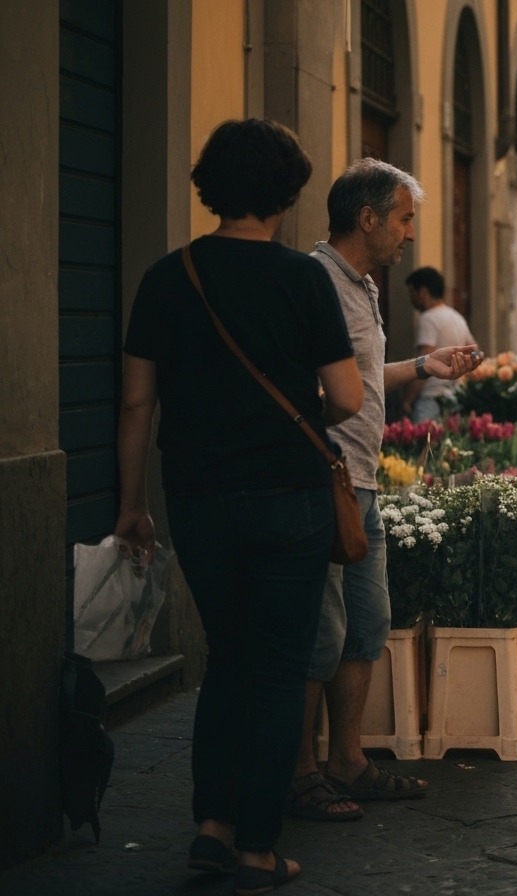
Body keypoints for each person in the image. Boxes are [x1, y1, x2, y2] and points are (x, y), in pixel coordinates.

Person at [114, 119, 364, 892]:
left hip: (198, 499)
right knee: (281, 671)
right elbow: (349, 399)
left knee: (226, 661)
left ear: (209, 186)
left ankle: (211, 828)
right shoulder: (302, 280)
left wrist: (132, 505)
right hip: (291, 496)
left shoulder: (167, 275)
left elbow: (135, 404)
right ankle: (258, 845)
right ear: (287, 194)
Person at [289, 159, 481, 823]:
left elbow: (364, 377)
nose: (409, 235)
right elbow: (302, 386)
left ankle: (349, 761)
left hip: (363, 480)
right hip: (327, 478)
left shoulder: (364, 285)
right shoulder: (315, 281)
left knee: (367, 625)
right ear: (366, 218)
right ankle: (301, 771)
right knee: (320, 629)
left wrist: (426, 366)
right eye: (403, 219)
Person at [400, 266, 476, 422]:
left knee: (426, 444)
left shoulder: (428, 319)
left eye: (412, 293)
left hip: (431, 399)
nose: (411, 299)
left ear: (423, 292)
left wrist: (408, 400)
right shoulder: (457, 317)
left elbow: (423, 363)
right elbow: (474, 352)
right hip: (454, 398)